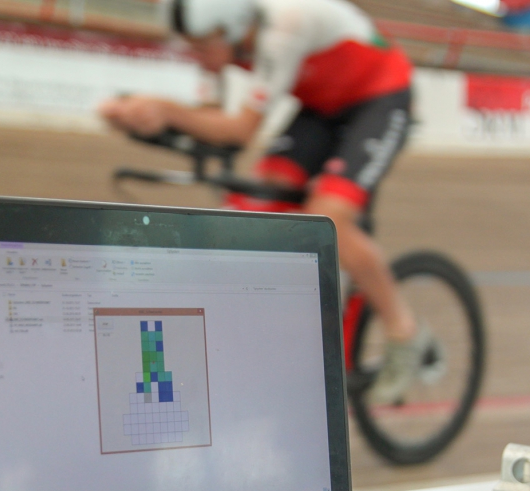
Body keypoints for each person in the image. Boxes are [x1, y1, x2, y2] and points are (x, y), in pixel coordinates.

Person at [99, 0, 429, 404]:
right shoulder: (234, 36)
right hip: (322, 106)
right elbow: (207, 119)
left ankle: (403, 334)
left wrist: (164, 110)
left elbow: (238, 131)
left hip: (380, 97)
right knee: (255, 200)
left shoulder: (281, 30)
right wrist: (142, 117)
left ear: (231, 28)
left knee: (329, 220)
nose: (198, 57)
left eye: (203, 47)